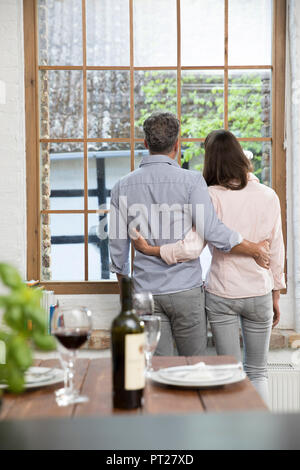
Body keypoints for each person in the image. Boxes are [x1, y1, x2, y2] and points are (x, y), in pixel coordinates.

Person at [133, 129, 285, 403]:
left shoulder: (211, 196)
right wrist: (276, 293)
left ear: (211, 161)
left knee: (231, 372)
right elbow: (276, 249)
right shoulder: (269, 195)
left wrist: (151, 249)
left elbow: (191, 247)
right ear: (240, 155)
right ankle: (260, 439)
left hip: (222, 293)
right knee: (258, 373)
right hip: (260, 291)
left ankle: (230, 439)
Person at [109, 113, 270, 357]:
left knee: (156, 371)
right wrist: (252, 248)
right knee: (195, 370)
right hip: (187, 290)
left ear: (145, 144)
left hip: (145, 292)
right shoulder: (192, 181)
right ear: (177, 145)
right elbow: (212, 230)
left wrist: (126, 296)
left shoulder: (122, 186)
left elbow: (118, 251)